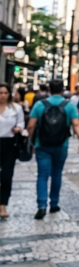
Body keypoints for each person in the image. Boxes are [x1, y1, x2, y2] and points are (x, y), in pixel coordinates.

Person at [26, 79, 79, 220]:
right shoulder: (69, 105)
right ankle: (54, 203)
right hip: (61, 144)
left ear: (49, 89)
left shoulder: (40, 104)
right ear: (63, 90)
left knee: (42, 175)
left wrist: (29, 142)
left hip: (42, 145)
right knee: (57, 174)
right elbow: (76, 124)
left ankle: (41, 205)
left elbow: (31, 125)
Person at [0, 83, 25, 219]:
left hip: (9, 144)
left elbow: (21, 123)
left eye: (5, 93)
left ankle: (2, 205)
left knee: (6, 176)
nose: (3, 96)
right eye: (0, 93)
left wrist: (18, 128)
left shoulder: (16, 108)